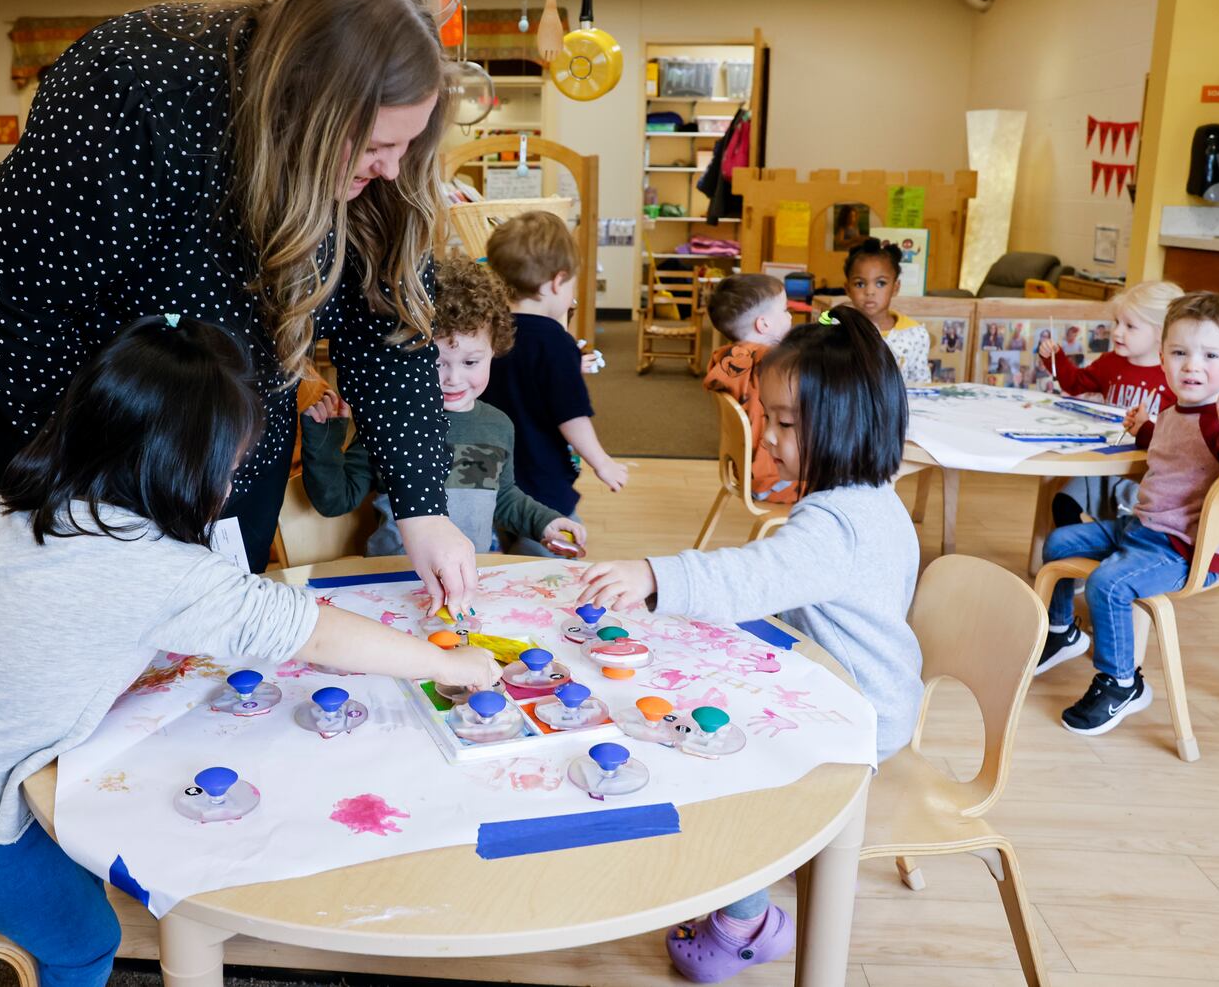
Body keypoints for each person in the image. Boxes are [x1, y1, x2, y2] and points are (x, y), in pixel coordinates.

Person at [0, 316, 495, 987]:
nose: (228, 487)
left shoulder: (19, 508)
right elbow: (313, 631)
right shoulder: (159, 569)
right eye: (228, 467)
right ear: (179, 467)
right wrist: (450, 663)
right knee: (87, 937)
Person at [0, 0, 478, 612]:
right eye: (378, 146)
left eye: (408, 145)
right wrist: (104, 499)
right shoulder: (135, 91)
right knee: (105, 581)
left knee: (223, 570)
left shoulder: (379, 176)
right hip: (49, 339)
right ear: (310, 113)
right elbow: (25, 304)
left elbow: (389, 328)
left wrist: (423, 506)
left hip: (227, 357)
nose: (392, 168)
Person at [579, 304, 921, 983]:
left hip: (857, 717)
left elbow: (753, 574)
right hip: (852, 687)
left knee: (727, 763)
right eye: (770, 418)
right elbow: (783, 581)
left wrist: (653, 574)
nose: (771, 440)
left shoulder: (838, 523)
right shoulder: (869, 496)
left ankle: (748, 922)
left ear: (850, 422)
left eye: (787, 425)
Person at [1038, 293, 1219, 733]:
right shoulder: (1177, 409)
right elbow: (1181, 452)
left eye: (1210, 355)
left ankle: (1121, 683)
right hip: (1144, 529)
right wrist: (1146, 430)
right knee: (1059, 543)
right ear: (1162, 358)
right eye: (1179, 353)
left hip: (1186, 550)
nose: (1192, 365)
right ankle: (1062, 631)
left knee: (1108, 583)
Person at [300, 259, 587, 559]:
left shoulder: (497, 425)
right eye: (436, 363)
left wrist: (545, 522)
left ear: (495, 350)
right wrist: (325, 438)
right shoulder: (390, 419)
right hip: (393, 579)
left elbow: (503, 499)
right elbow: (335, 500)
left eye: (471, 362)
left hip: (466, 580)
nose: (453, 379)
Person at [481, 212, 627, 555]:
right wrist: (601, 461)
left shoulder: (487, 331)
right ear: (558, 282)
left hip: (487, 476)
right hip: (541, 479)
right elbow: (571, 414)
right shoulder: (555, 342)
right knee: (553, 566)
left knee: (495, 565)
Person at [1035, 280, 1182, 533]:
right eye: (1117, 323)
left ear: (1161, 333)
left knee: (1128, 529)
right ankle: (1073, 566)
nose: (1116, 332)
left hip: (1147, 477)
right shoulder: (1109, 362)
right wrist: (1055, 358)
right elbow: (1075, 382)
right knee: (1062, 504)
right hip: (1103, 466)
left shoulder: (1177, 377)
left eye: (1130, 326)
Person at [701, 273, 798, 504]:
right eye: (785, 310)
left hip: (744, 473)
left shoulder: (724, 360)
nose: (790, 316)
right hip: (780, 481)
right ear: (764, 324)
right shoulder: (771, 366)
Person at [842, 238, 931, 383]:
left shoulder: (915, 334)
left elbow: (921, 386)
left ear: (895, 287)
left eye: (880, 283)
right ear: (848, 289)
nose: (870, 291)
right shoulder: (836, 329)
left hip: (899, 406)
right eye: (859, 284)